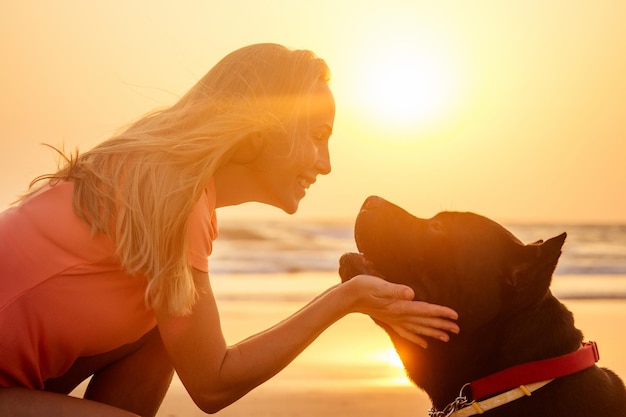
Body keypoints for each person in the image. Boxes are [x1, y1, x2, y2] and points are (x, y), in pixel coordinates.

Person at [0, 43, 460, 417]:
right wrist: (347, 298)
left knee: (166, 329)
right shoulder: (176, 198)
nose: (326, 163)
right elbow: (212, 385)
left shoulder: (165, 180)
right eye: (317, 135)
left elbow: (200, 358)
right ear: (262, 131)